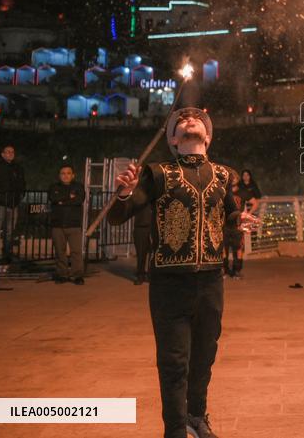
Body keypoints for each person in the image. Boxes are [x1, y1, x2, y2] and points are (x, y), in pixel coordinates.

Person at [107, 107, 258, 438]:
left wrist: (239, 221)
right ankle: (175, 429)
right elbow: (119, 215)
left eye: (198, 121)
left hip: (210, 281)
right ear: (174, 139)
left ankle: (195, 415)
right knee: (174, 361)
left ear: (208, 137)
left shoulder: (224, 175)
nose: (191, 122)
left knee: (204, 357)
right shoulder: (157, 173)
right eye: (182, 123)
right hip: (169, 283)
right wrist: (125, 193)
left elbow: (231, 214)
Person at [0, 144, 26, 263]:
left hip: (13, 205)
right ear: (2, 154)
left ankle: (7, 254)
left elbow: (23, 183)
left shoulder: (18, 168)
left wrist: (20, 196)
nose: (10, 154)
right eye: (7, 152)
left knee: (10, 232)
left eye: (12, 152)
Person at [47, 165, 86, 285]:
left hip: (74, 224)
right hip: (57, 225)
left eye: (68, 173)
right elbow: (53, 198)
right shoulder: (53, 187)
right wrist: (69, 198)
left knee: (76, 252)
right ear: (59, 175)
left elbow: (79, 200)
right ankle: (62, 274)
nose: (65, 175)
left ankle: (77, 275)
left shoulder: (78, 186)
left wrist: (61, 201)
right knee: (60, 252)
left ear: (73, 175)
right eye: (63, 173)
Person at [225, 169, 261, 280]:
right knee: (224, 249)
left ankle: (237, 271)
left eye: (235, 177)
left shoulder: (243, 192)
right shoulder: (224, 192)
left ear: (237, 179)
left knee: (238, 248)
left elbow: (255, 203)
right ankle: (225, 271)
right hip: (225, 224)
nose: (233, 179)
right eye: (231, 178)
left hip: (238, 225)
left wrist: (247, 214)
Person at [133, 203, 152, 285]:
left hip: (153, 226)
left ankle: (150, 275)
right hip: (140, 225)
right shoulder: (138, 195)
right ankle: (140, 275)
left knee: (153, 254)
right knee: (141, 253)